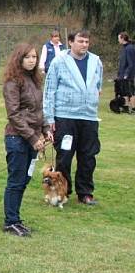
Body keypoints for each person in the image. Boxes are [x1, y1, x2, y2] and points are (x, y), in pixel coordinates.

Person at [43, 29, 103, 205]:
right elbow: (49, 91)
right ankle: (63, 191)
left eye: (87, 42)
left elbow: (97, 84)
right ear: (70, 42)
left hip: (89, 117)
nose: (84, 44)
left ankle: (85, 193)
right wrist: (50, 118)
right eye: (80, 41)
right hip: (65, 117)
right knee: (65, 155)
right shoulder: (59, 61)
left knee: (88, 156)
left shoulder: (95, 61)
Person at [2, 44, 52, 237]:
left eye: (34, 57)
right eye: (28, 57)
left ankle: (16, 218)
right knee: (15, 181)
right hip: (17, 138)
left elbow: (39, 110)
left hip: (33, 139)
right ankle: (10, 222)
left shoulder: (35, 80)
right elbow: (14, 115)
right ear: (19, 59)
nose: (32, 60)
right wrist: (32, 137)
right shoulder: (12, 83)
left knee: (25, 179)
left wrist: (46, 129)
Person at [116, 32, 135, 110]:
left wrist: (126, 74)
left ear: (122, 38)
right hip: (122, 74)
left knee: (131, 92)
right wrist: (119, 74)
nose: (118, 40)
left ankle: (134, 108)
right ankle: (126, 107)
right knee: (124, 91)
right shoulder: (124, 48)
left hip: (128, 75)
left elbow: (131, 63)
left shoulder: (130, 48)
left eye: (119, 38)